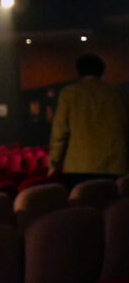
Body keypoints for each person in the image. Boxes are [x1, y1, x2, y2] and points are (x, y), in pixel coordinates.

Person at [48, 53, 129, 188]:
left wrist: (54, 163)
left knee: (83, 205)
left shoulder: (68, 94)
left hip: (79, 165)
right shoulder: (118, 93)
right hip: (115, 164)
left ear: (78, 71)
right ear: (103, 70)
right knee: (112, 207)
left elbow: (59, 132)